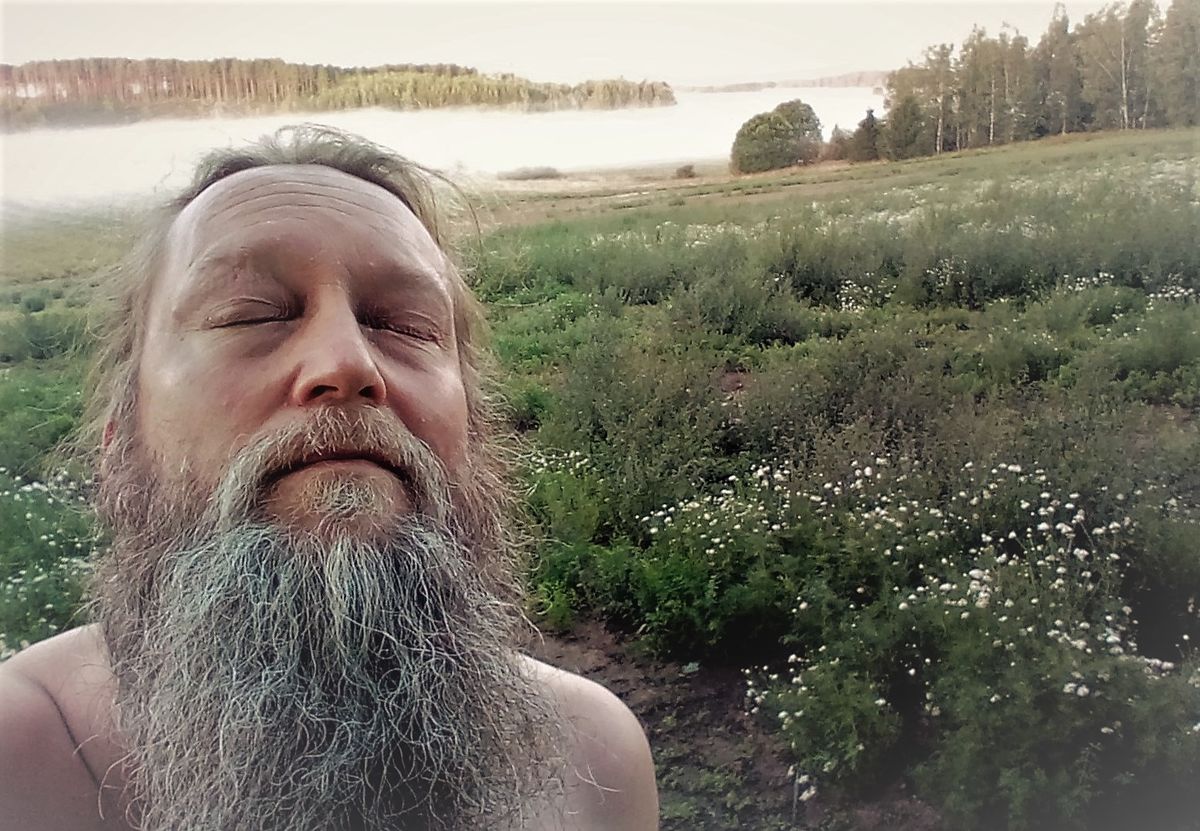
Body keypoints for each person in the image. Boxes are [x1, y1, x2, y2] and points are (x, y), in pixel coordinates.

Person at [0, 126, 658, 831]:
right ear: (119, 443)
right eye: (250, 314)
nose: (346, 363)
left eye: (405, 325)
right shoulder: (22, 753)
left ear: (475, 431)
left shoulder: (593, 762)